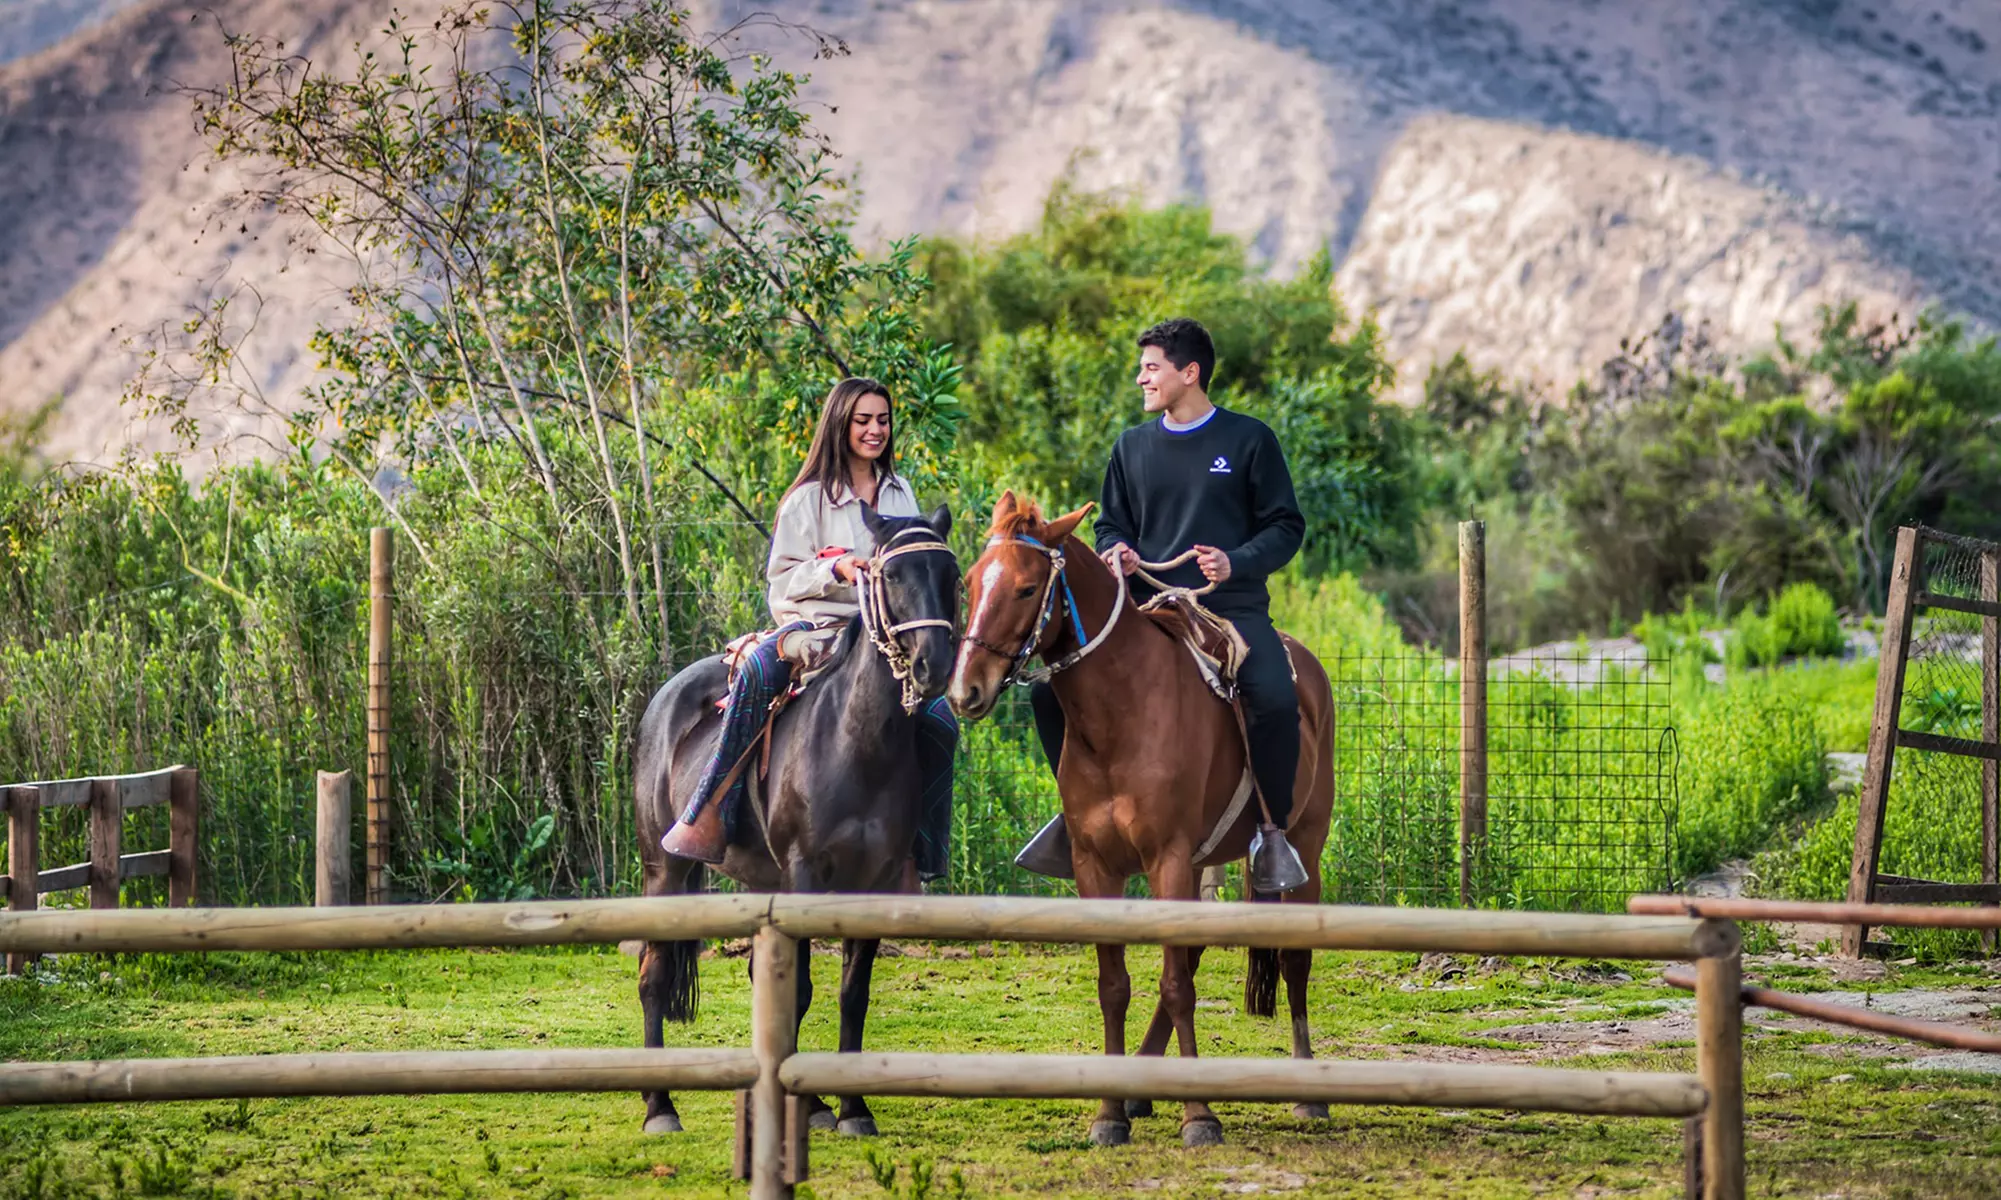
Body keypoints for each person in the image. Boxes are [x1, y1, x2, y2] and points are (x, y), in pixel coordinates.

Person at [1018, 317, 1310, 893]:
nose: (1140, 379)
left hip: (1229, 609)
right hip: (1145, 610)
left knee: (1276, 697)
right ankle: (1073, 814)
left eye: (1151, 368)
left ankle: (1271, 833)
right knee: (1047, 690)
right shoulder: (1131, 447)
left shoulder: (1250, 440)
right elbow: (1110, 523)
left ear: (1189, 372)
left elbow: (1286, 527)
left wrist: (1236, 561)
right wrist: (1116, 550)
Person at [661, 377, 958, 881]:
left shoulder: (900, 492)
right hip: (814, 632)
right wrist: (836, 570)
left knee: (942, 722)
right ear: (840, 424)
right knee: (757, 672)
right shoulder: (808, 500)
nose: (875, 430)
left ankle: (922, 846)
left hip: (885, 643)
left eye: (882, 420)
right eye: (863, 420)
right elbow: (781, 582)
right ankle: (710, 809)